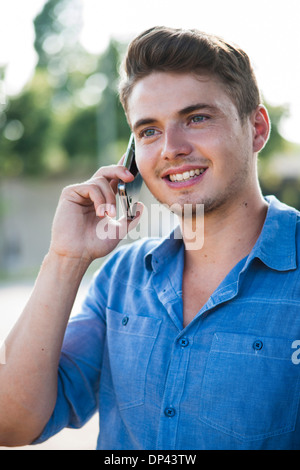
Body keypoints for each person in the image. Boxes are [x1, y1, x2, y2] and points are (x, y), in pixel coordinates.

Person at [0, 26, 300, 451]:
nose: (171, 148)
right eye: (148, 131)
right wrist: (66, 257)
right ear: (131, 160)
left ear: (256, 128)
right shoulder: (120, 277)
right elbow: (11, 424)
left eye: (196, 118)